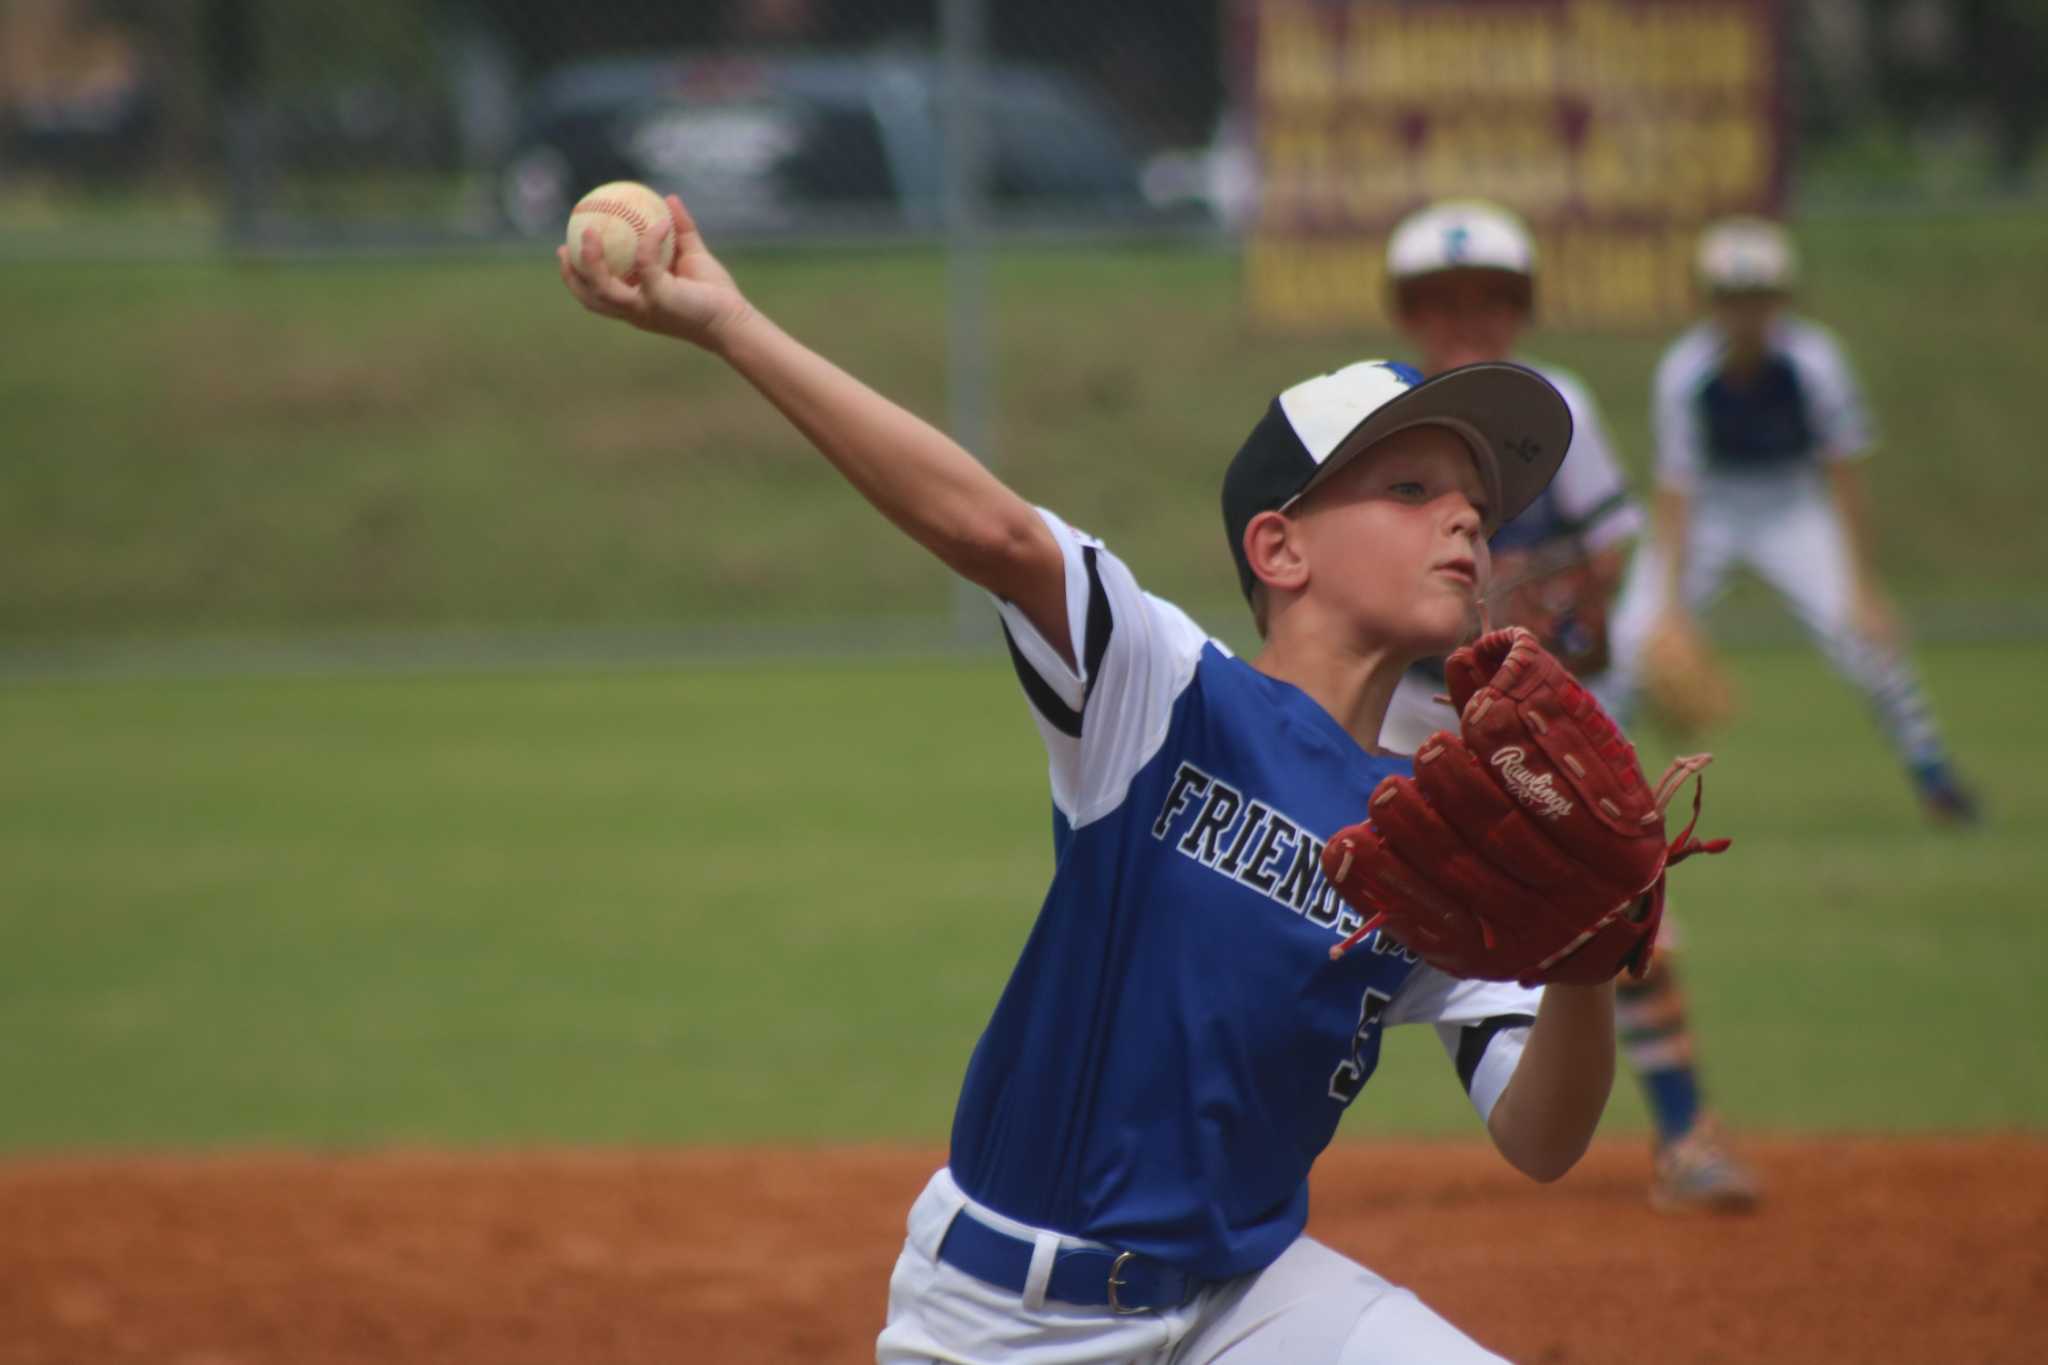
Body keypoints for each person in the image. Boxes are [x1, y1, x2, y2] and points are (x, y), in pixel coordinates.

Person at [561, 194, 1618, 1363]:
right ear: (1280, 547)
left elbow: (1541, 1137)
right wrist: (730, 325)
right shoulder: (1164, 693)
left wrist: (1584, 968)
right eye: (1411, 489)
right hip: (1010, 1319)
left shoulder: (1439, 825)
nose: (1464, 518)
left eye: (1474, 502)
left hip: (1246, 1300)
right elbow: (998, 538)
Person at [1374, 200, 1760, 1213]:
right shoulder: (1376, 411)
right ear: (1408, 312)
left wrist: (1613, 638)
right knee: (1344, 909)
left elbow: (1603, 548)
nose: (1467, 320)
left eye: (1491, 300)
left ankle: (1685, 1138)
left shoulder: (1561, 403)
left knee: (1623, 906)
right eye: (1441, 300)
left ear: (1521, 310)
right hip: (1400, 716)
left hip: (1531, 714)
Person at [1607, 217, 1978, 825]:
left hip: (1790, 506)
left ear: (1780, 299)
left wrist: (1865, 586)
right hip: (1714, 510)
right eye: (1731, 296)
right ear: (1710, 301)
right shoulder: (1685, 371)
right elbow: (1677, 493)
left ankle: (1935, 777)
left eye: (1758, 295)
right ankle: (1586, 791)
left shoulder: (1814, 360)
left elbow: (1843, 474)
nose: (1745, 310)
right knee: (1629, 642)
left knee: (1865, 637)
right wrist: (1670, 610)